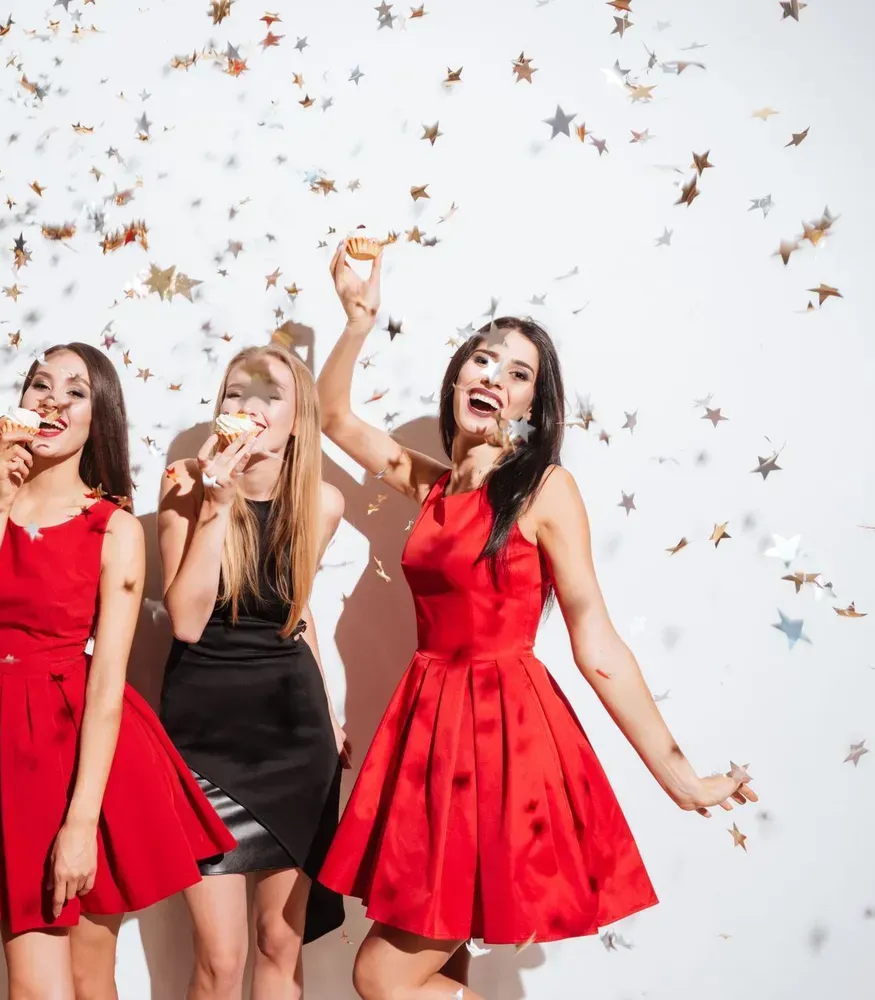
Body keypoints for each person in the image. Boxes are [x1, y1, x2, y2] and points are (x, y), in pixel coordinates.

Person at [314, 243, 759, 1000]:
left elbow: (597, 643)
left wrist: (678, 777)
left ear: (530, 405)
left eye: (518, 373)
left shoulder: (543, 490)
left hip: (498, 736)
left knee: (382, 977)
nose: (494, 376)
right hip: (426, 730)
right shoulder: (430, 484)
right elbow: (332, 418)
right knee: (437, 960)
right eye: (484, 361)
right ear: (458, 375)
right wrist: (356, 324)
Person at [0, 343, 236, 1000]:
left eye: (76, 391)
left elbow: (106, 685)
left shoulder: (113, 529)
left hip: (83, 755)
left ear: (100, 418)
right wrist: (1, 502)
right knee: (40, 985)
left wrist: (79, 823)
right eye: (41, 384)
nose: (53, 400)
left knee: (90, 979)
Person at [156, 344, 350, 999]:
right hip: (201, 739)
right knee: (220, 959)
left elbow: (294, 616)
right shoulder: (184, 483)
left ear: (297, 419)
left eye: (269, 396)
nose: (247, 408)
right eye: (236, 394)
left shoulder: (320, 503)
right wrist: (215, 504)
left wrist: (329, 711)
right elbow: (184, 619)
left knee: (278, 944)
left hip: (294, 741)